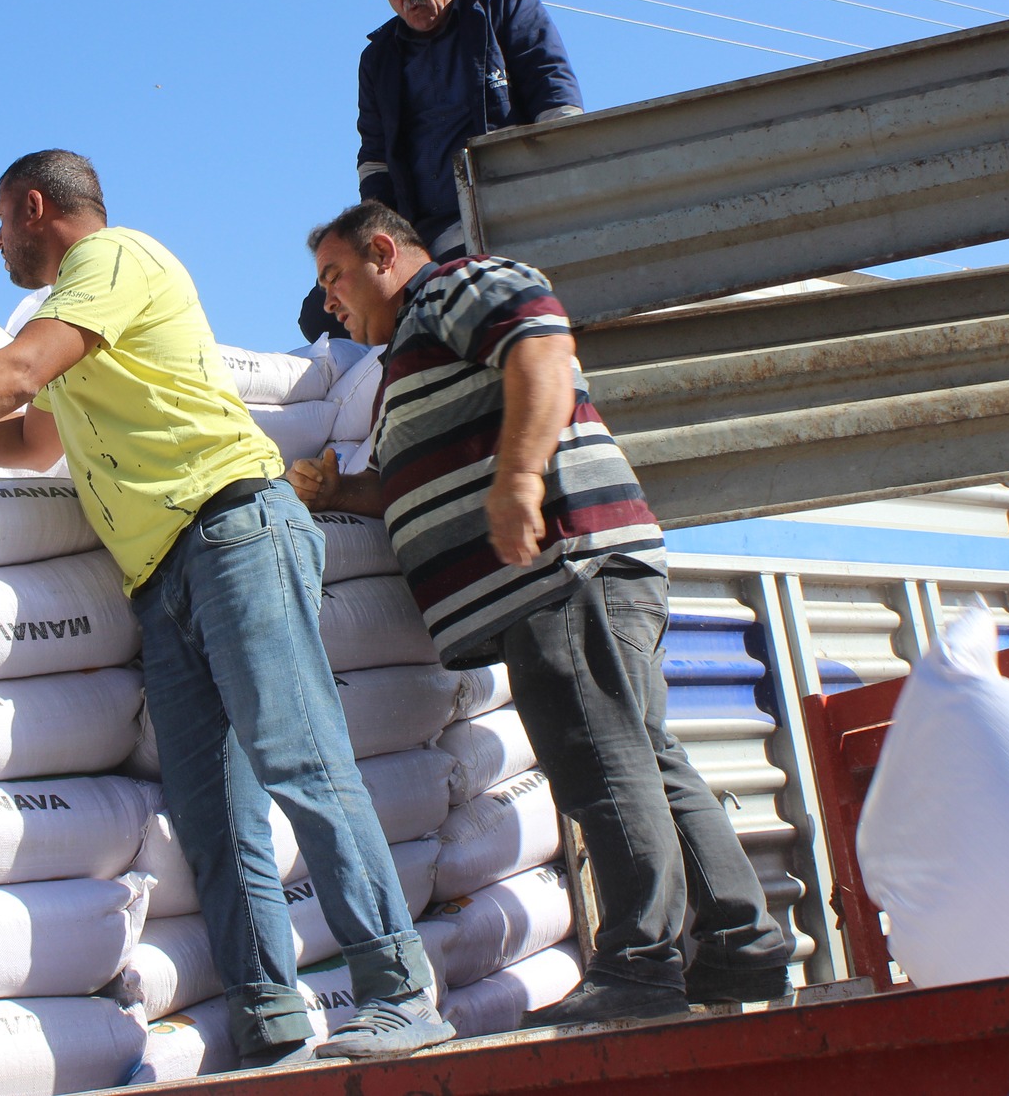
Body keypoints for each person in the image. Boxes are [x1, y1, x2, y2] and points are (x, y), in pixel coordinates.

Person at [0, 152, 452, 1066]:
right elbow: (30, 442)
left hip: (232, 530)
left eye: (0, 221)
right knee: (212, 816)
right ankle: (270, 1028)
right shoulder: (78, 322)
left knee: (299, 756)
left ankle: (400, 988)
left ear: (35, 207)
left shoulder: (113, 260)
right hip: (164, 574)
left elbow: (19, 372)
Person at [289, 200, 794, 1026]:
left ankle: (639, 964)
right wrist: (341, 489)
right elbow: (413, 478)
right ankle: (742, 939)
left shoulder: (457, 287)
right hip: (564, 573)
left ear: (383, 251)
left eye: (334, 276)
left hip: (563, 565)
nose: (328, 300)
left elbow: (541, 347)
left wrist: (521, 476)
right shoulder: (404, 357)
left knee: (599, 758)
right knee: (640, 752)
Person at [298, 0, 583, 341]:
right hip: (418, 234)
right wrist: (376, 244)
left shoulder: (504, 6)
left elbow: (556, 103)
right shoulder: (378, 59)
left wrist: (565, 202)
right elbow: (374, 161)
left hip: (503, 211)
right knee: (319, 315)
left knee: (446, 287)